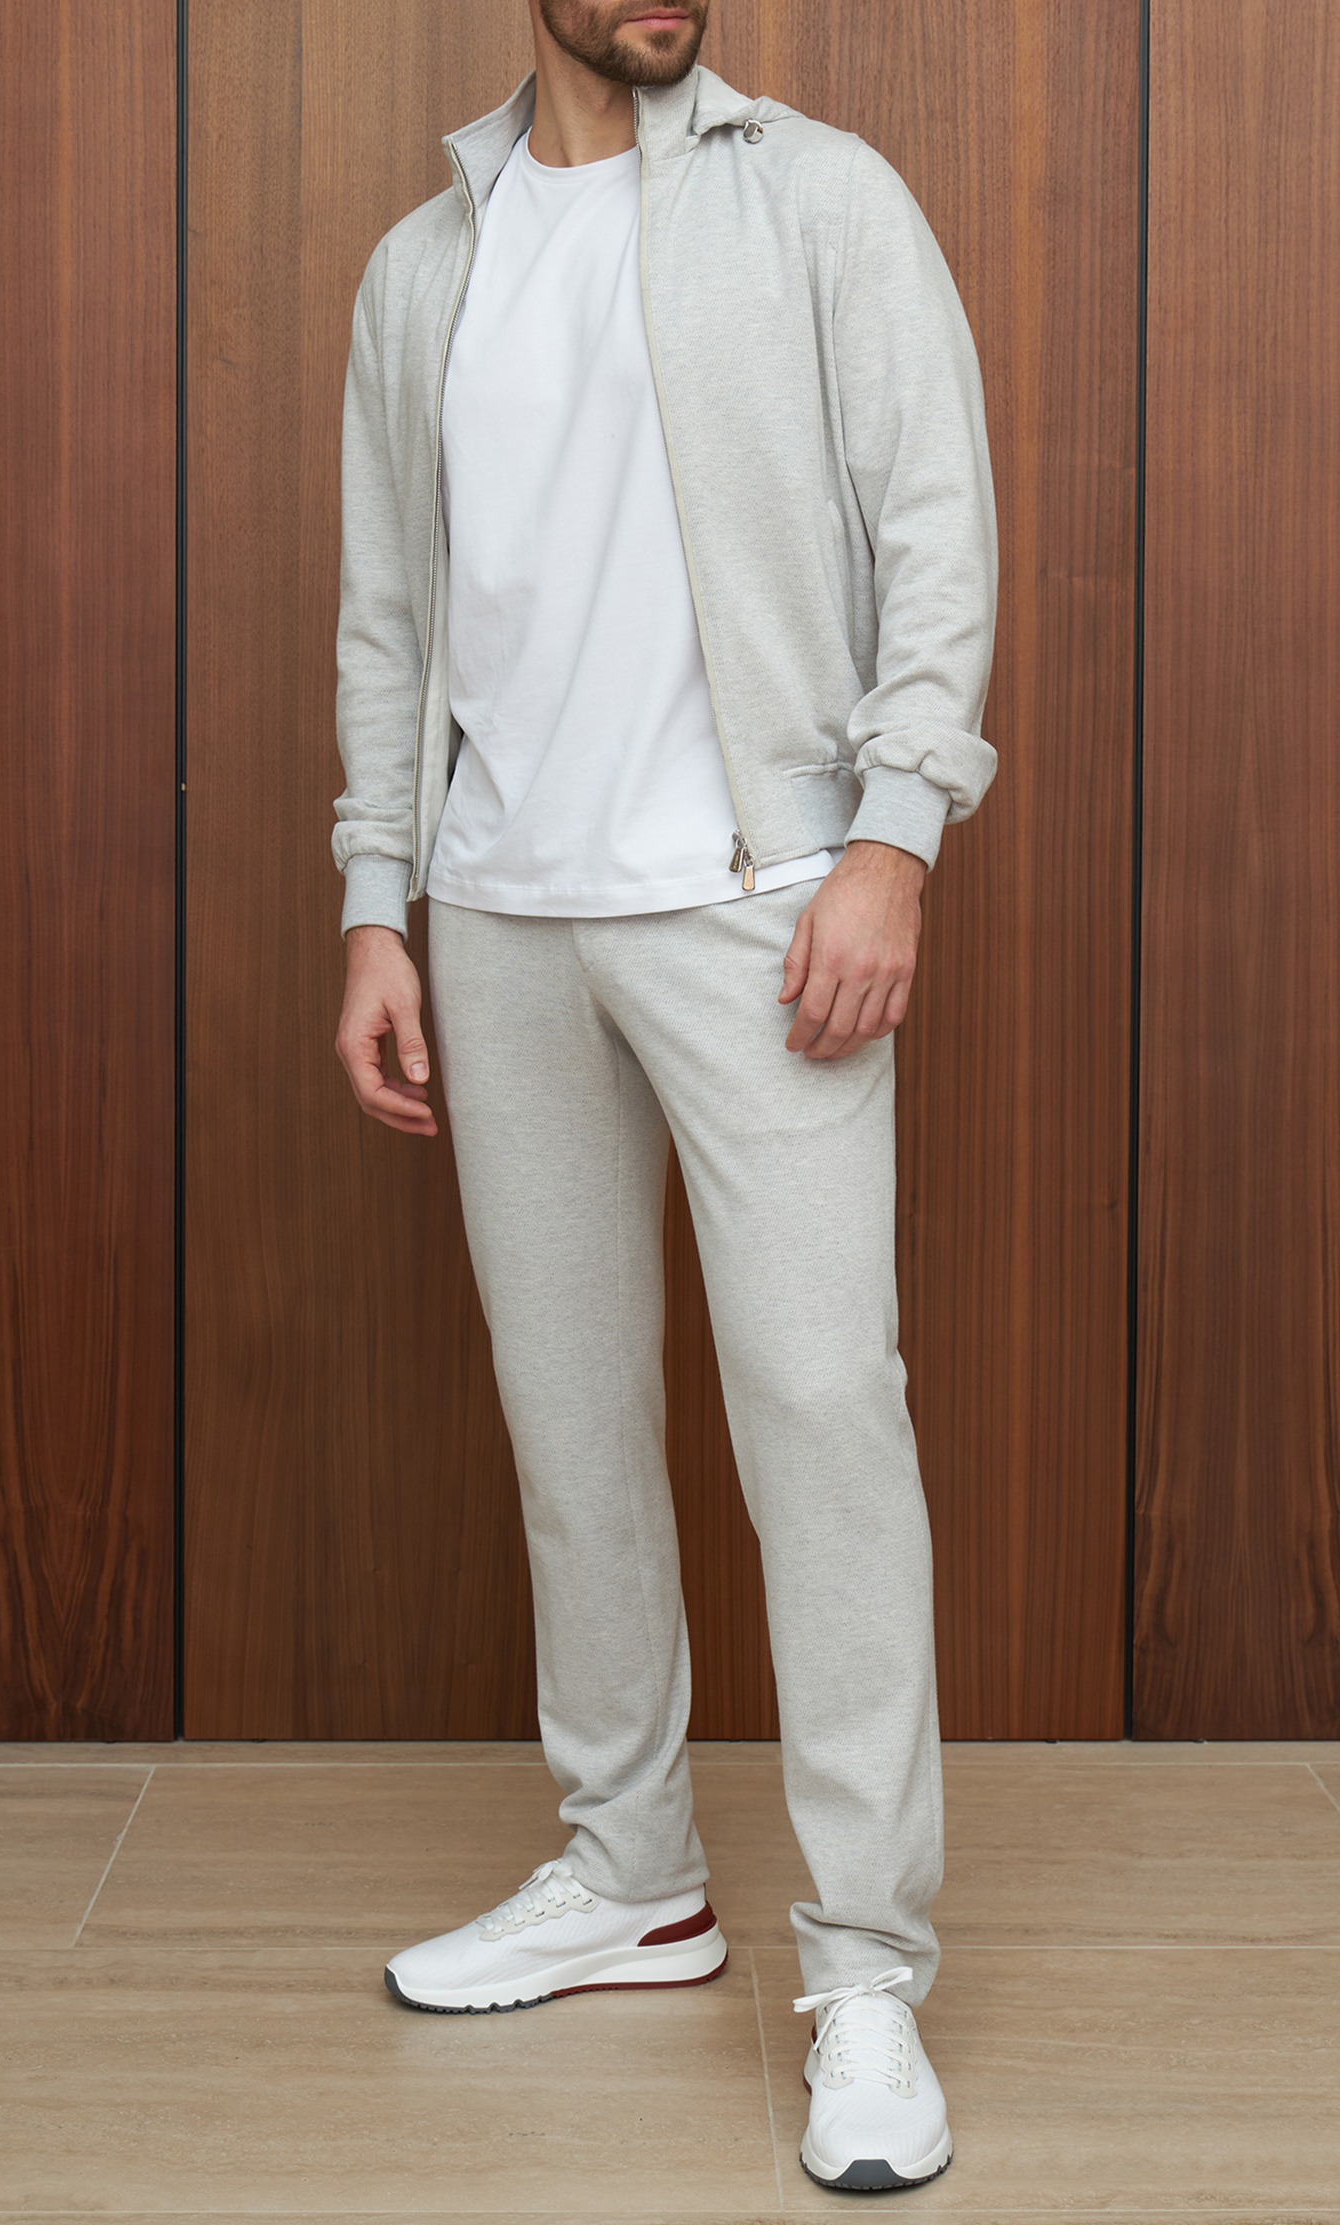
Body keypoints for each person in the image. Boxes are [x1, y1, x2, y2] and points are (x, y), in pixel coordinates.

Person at [332, 0, 996, 2193]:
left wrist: (892, 836)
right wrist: (376, 902)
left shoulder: (819, 202)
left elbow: (935, 525)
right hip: (500, 916)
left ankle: (866, 1966)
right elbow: (389, 612)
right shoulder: (427, 263)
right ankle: (629, 1871)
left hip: (761, 904)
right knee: (572, 1420)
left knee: (821, 1411)